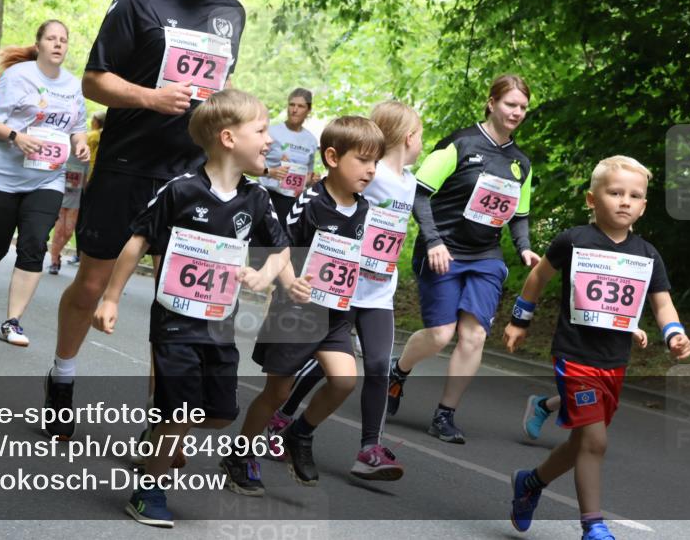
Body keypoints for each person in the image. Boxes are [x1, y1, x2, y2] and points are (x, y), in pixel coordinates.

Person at [44, 0, 246, 439]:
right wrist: (150, 98)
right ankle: (63, 375)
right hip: (128, 167)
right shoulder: (138, 3)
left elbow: (220, 92)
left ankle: (163, 423)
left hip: (193, 177)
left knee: (178, 302)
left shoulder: (233, 14)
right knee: (91, 284)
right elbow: (93, 81)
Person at [90, 89, 290, 528]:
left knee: (217, 416)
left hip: (219, 325)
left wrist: (266, 274)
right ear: (228, 138)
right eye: (261, 130)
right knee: (181, 412)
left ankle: (157, 431)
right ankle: (148, 492)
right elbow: (138, 241)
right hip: (175, 322)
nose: (270, 139)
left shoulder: (257, 200)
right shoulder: (180, 190)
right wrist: (110, 297)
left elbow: (280, 250)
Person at [502, 155, 690, 540]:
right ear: (592, 199)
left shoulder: (647, 254)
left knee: (581, 442)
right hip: (574, 355)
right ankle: (593, 525)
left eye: (634, 195)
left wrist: (673, 332)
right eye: (615, 192)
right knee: (596, 440)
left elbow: (661, 301)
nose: (625, 200)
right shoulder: (574, 240)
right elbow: (538, 277)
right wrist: (520, 320)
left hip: (614, 361)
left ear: (643, 206)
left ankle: (530, 483)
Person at [221, 116, 385, 495]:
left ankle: (300, 433)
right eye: (362, 160)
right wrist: (288, 282)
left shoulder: (363, 209)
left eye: (375, 161)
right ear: (331, 157)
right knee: (277, 393)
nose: (371, 169)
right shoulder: (309, 204)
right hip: (295, 313)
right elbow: (280, 249)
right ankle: (240, 453)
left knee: (344, 380)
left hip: (335, 315)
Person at [266, 101, 422, 480]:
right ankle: (281, 417)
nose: (421, 140)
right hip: (342, 288)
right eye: (418, 133)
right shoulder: (371, 174)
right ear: (404, 137)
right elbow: (293, 232)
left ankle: (369, 447)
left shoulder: (409, 181)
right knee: (326, 364)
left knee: (375, 366)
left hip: (379, 290)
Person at [385, 74, 540, 444]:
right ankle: (399, 372)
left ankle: (445, 414)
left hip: (485, 255)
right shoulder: (461, 143)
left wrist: (523, 248)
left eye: (522, 107)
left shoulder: (521, 163)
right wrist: (434, 241)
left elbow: (519, 216)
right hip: (443, 249)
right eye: (509, 104)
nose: (516, 112)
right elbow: (420, 194)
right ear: (491, 103)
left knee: (474, 336)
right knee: (442, 334)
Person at [0, 20, 89, 346]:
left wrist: (80, 143)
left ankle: (12, 322)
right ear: (39, 44)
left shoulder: (73, 85)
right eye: (51, 39)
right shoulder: (18, 76)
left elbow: (77, 125)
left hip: (47, 178)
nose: (58, 44)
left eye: (63, 40)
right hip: (1, 176)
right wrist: (17, 136)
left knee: (33, 246)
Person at [258, 88, 320, 223]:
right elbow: (252, 164)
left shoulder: (311, 140)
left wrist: (312, 180)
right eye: (292, 105)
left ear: (308, 110)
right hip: (268, 196)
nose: (294, 110)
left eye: (300, 106)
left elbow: (307, 177)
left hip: (292, 202)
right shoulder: (271, 132)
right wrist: (272, 170)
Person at [46, 154, 86, 274]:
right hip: (60, 198)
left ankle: (56, 254)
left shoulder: (85, 160)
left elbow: (85, 181)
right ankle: (54, 261)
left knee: (68, 232)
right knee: (58, 232)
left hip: (75, 201)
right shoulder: (63, 154)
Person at [85, 109, 104, 178]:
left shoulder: (92, 135)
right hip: (97, 169)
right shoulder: (102, 134)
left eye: (94, 119)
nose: (92, 121)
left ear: (98, 122)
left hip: (88, 167)